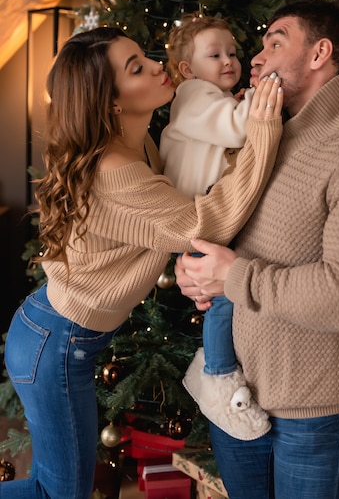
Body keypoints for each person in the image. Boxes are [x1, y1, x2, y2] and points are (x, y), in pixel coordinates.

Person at [2, 26, 283, 499]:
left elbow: (166, 221)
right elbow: (204, 220)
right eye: (137, 68)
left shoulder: (138, 145)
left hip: (55, 336)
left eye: (145, 57)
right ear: (110, 101)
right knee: (57, 493)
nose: (158, 66)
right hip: (55, 344)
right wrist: (263, 129)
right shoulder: (115, 171)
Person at [175, 0, 339, 499]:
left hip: (315, 413)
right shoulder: (269, 133)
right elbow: (233, 230)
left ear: (319, 53)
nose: (256, 59)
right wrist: (199, 271)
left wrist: (235, 276)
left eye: (275, 42)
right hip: (239, 402)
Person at [160, 13, 280, 441]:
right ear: (187, 71)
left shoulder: (212, 96)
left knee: (222, 297)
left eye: (232, 51)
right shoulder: (193, 96)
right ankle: (219, 374)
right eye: (215, 55)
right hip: (195, 224)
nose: (229, 60)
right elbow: (235, 129)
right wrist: (263, 94)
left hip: (208, 222)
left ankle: (218, 368)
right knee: (223, 300)